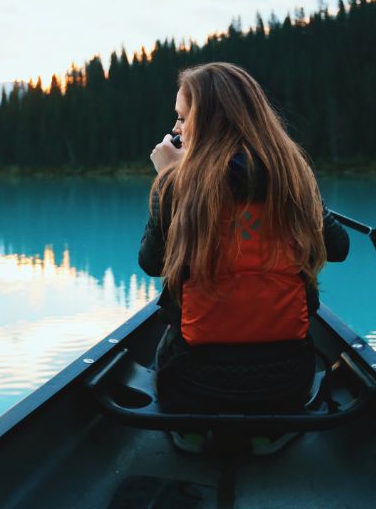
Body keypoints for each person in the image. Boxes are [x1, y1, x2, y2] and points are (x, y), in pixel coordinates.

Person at [139, 62, 349, 455]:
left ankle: (191, 433)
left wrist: (167, 180)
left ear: (209, 120)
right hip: (284, 385)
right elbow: (338, 249)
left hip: (194, 387)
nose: (176, 130)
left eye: (183, 118)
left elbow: (151, 263)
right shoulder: (293, 175)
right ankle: (270, 433)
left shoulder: (176, 183)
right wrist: (312, 197)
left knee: (166, 335)